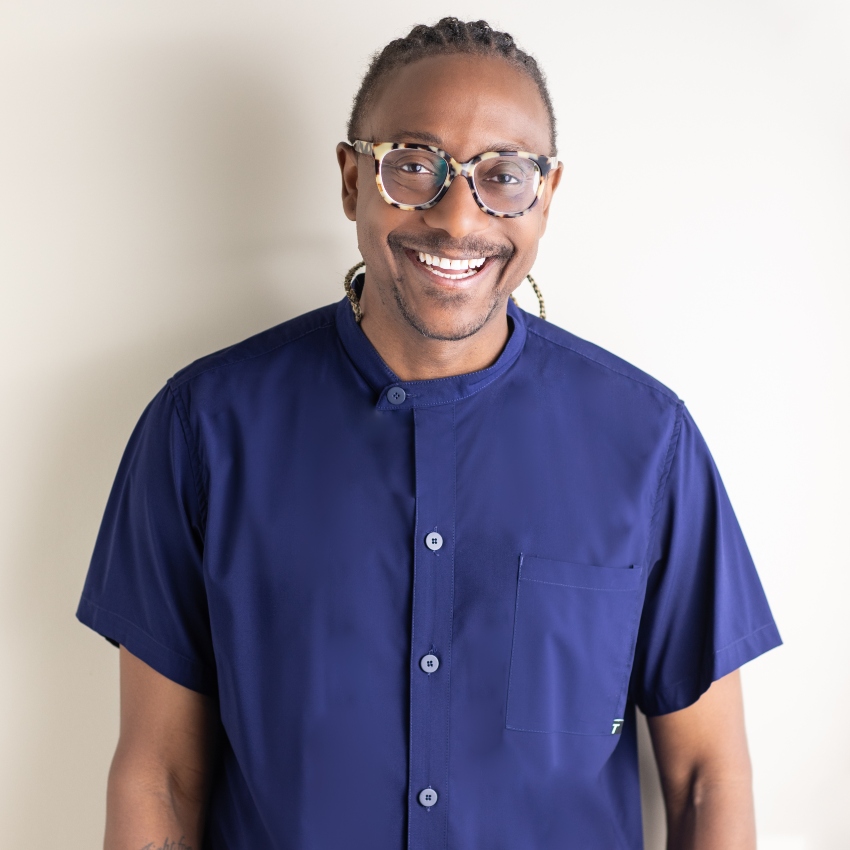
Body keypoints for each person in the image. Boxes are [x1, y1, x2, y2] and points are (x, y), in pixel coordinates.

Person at [77, 17, 781, 850]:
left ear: (546, 198)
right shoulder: (202, 430)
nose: (457, 217)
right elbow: (159, 776)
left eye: (504, 176)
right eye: (415, 166)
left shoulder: (647, 444)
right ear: (351, 180)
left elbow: (708, 781)